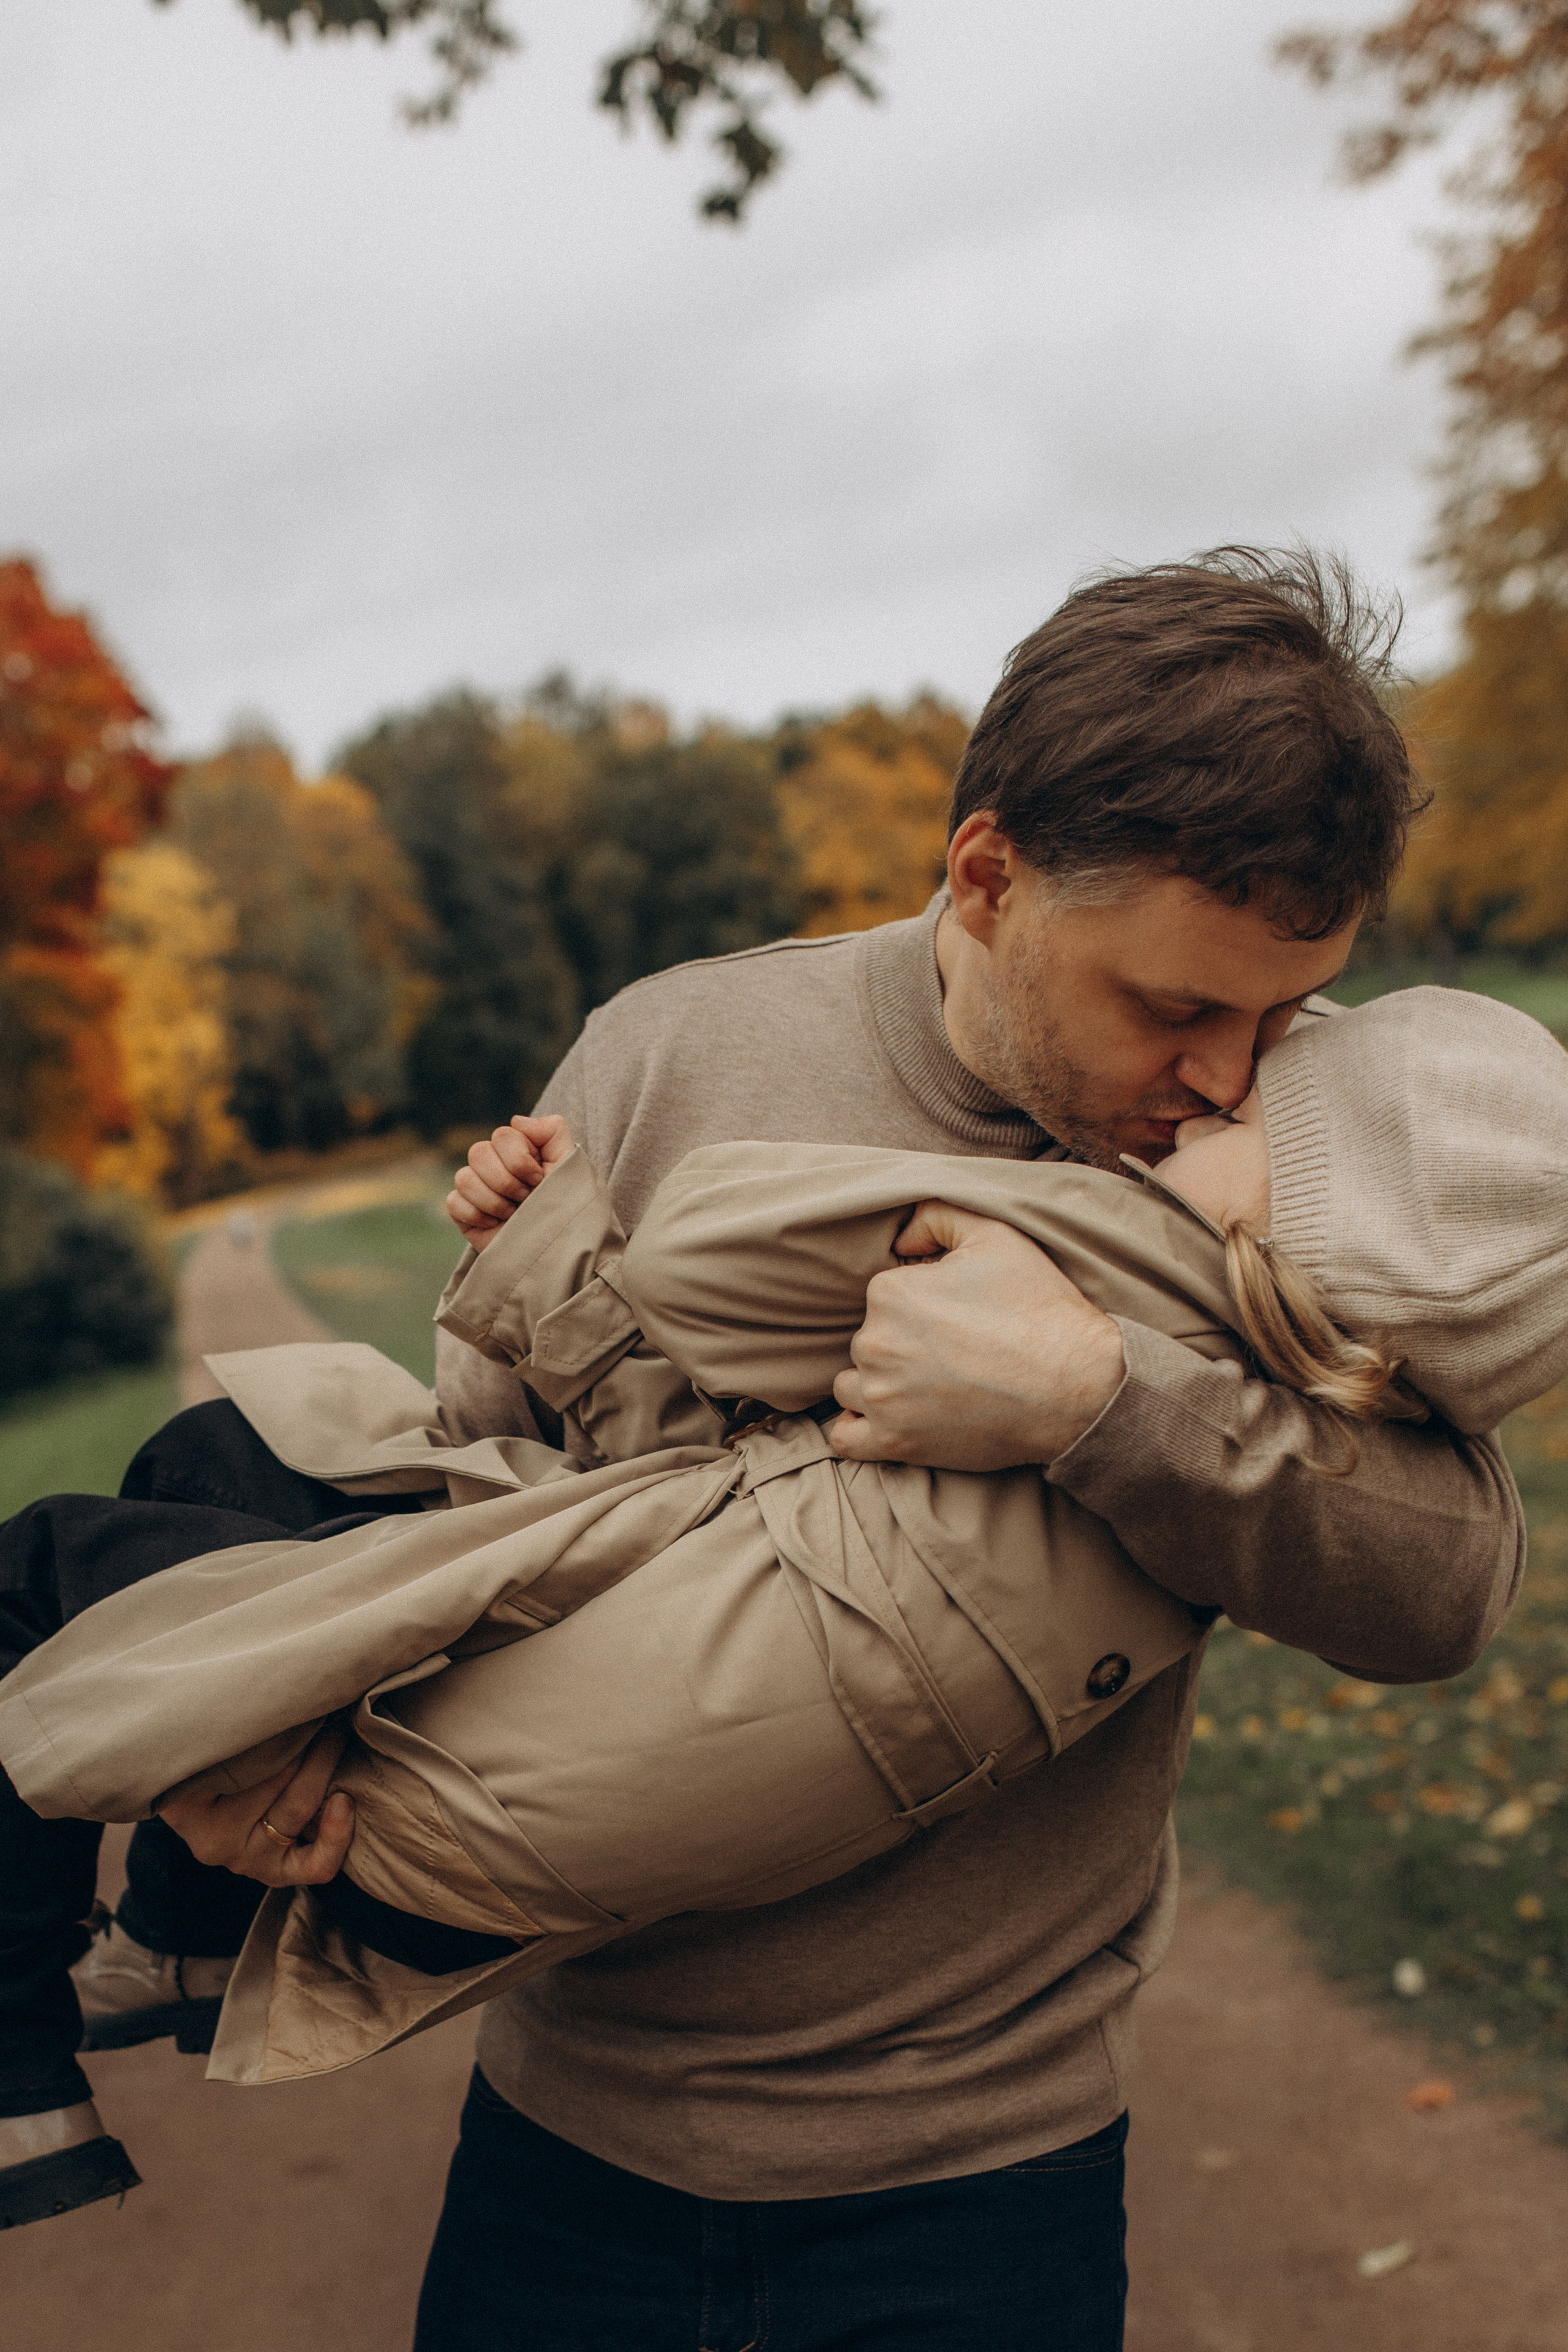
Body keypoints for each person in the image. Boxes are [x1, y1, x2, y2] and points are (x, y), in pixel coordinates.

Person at [0, 550, 1526, 2347]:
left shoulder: (1299, 1162)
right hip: (575, 2145)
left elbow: (1446, 1583)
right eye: (1179, 1009)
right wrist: (235, 1745)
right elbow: (478, 1496)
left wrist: (1099, 1404)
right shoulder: (672, 1051)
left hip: (991, 2185)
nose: (1227, 1076)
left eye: (1280, 1016)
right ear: (987, 871)